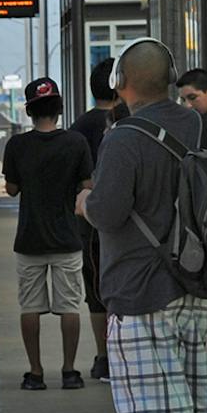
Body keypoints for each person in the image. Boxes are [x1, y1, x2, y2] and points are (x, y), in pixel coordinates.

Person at [77, 39, 207, 413]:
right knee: (201, 392)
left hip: (143, 284)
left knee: (167, 401)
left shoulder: (123, 138)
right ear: (169, 79)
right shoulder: (194, 123)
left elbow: (106, 212)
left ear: (121, 84)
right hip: (193, 275)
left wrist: (83, 202)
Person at [2, 77, 94, 391]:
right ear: (59, 107)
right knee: (69, 306)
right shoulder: (76, 142)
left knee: (30, 307)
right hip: (68, 237)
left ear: (29, 110)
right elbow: (87, 186)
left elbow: (12, 189)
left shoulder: (17, 145)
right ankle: (69, 371)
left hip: (29, 239)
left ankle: (36, 372)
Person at [70, 58, 123, 380]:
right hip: (125, 220)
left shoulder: (79, 127)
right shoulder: (129, 120)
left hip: (88, 223)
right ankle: (123, 354)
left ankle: (103, 357)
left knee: (96, 293)